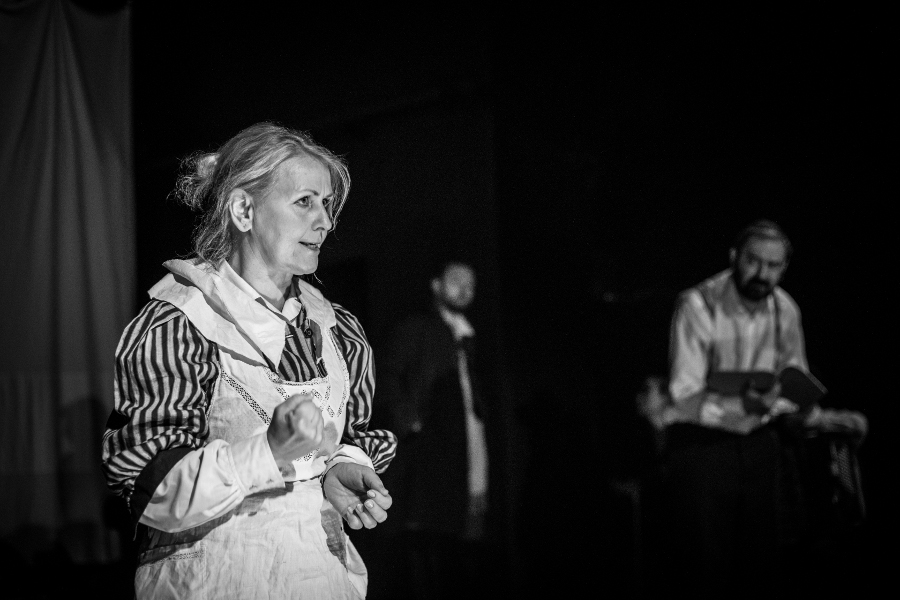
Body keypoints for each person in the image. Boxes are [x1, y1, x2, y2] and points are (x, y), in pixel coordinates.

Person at [101, 122, 397, 599]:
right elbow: (153, 491)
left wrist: (338, 467)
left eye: (326, 204)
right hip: (214, 578)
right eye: (304, 201)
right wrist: (267, 452)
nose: (325, 221)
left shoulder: (336, 329)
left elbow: (351, 433)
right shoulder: (181, 322)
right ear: (243, 209)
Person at [663, 219, 867, 598]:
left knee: (761, 561)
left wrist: (785, 403)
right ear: (734, 258)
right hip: (705, 444)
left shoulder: (785, 309)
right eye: (753, 262)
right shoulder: (698, 304)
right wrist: (740, 405)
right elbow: (684, 392)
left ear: (784, 268)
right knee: (706, 564)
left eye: (773, 266)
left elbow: (794, 376)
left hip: (759, 444)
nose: (762, 274)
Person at [378, 260, 492, 600]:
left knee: (464, 541)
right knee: (429, 541)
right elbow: (387, 375)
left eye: (471, 283)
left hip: (467, 443)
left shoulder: (469, 335)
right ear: (436, 284)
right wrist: (409, 420)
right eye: (456, 280)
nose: (465, 289)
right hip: (430, 451)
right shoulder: (418, 328)